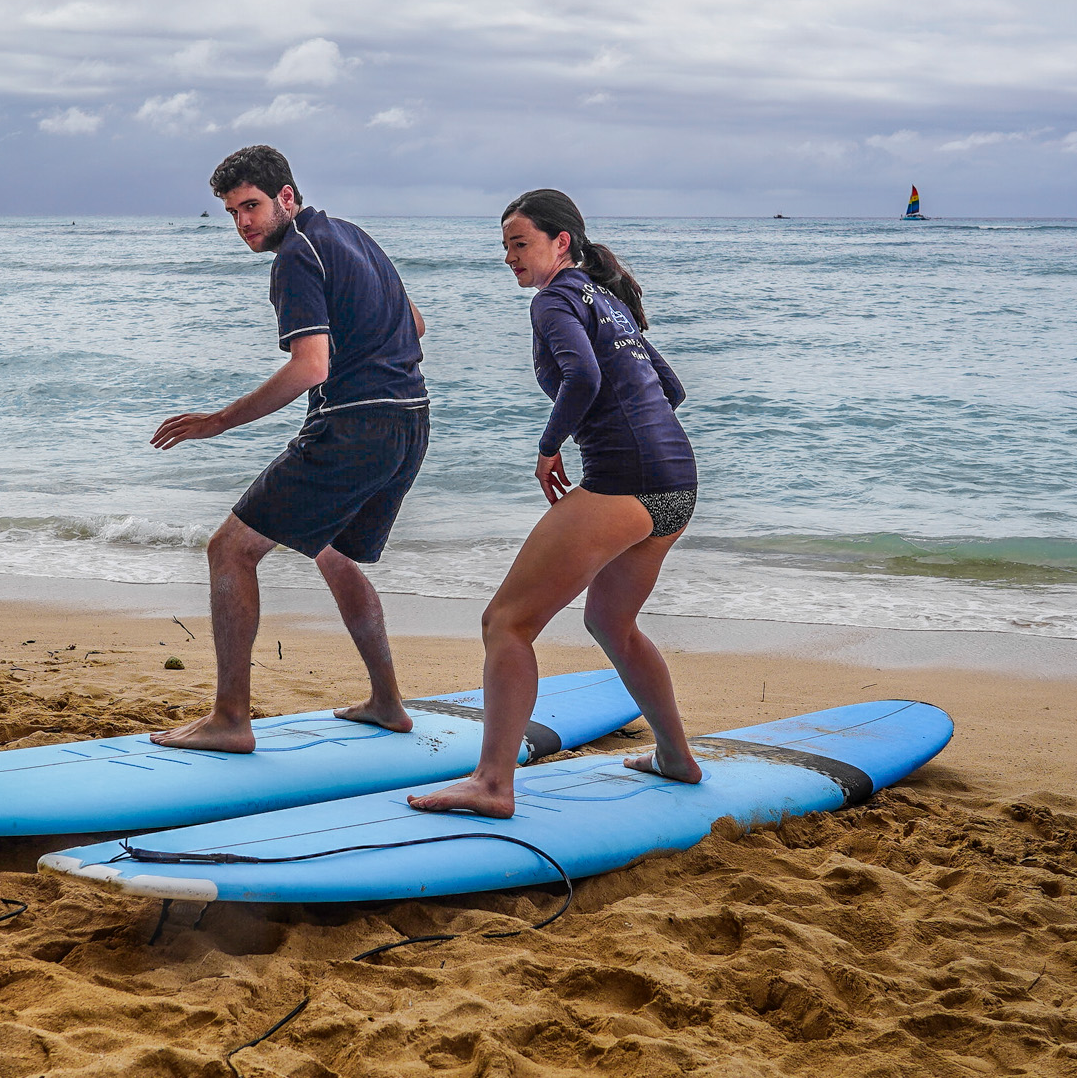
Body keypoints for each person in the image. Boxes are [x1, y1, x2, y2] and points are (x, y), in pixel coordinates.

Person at [409, 189, 700, 818]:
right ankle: (675, 756)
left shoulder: (555, 299)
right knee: (609, 623)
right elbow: (668, 389)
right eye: (505, 246)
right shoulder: (608, 300)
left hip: (628, 483)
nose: (510, 257)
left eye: (521, 243)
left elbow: (585, 378)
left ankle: (492, 783)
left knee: (506, 623)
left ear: (560, 242)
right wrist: (626, 434)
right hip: (677, 484)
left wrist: (551, 446)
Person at [150, 144, 430, 751]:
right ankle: (387, 703)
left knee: (230, 550)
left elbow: (310, 367)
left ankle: (230, 720)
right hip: (410, 422)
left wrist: (219, 421)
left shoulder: (297, 256)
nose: (243, 223)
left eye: (251, 206)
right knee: (333, 552)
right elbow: (416, 323)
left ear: (286, 196)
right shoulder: (351, 237)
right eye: (231, 213)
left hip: (354, 427)